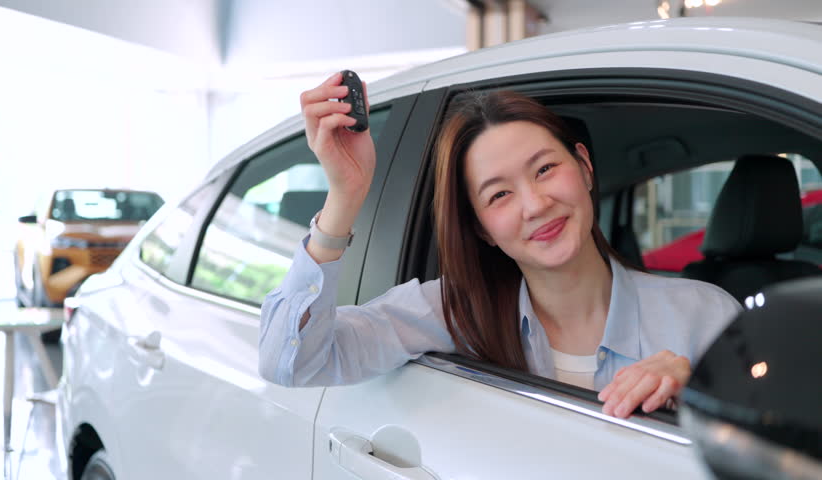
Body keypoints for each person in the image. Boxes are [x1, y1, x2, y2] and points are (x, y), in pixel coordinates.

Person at [259, 72, 741, 419]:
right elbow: (293, 362)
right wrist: (345, 196)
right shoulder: (455, 311)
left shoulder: (703, 316)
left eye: (546, 169)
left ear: (585, 168)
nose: (535, 204)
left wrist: (706, 400)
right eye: (500, 195)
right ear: (483, 228)